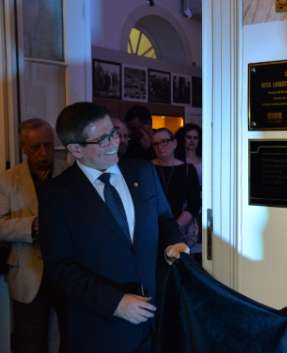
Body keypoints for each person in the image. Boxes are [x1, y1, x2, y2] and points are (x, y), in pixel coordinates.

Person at [39, 102, 189, 353]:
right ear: (76, 149)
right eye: (103, 139)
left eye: (114, 134)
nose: (114, 143)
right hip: (99, 330)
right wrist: (115, 303)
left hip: (155, 325)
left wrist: (172, 242)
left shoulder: (143, 171)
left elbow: (164, 218)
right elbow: (59, 267)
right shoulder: (57, 195)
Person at [0, 118, 66, 353]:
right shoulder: (7, 180)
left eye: (48, 145)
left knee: (66, 339)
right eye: (36, 147)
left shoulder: (69, 173)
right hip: (27, 273)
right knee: (29, 340)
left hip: (66, 272)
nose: (44, 152)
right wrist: (32, 226)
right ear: (23, 148)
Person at [152, 128, 201, 249]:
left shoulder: (187, 170)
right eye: (156, 143)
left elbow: (194, 203)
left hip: (178, 229)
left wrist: (175, 227)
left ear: (174, 143)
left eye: (164, 141)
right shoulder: (147, 168)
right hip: (151, 229)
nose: (160, 146)